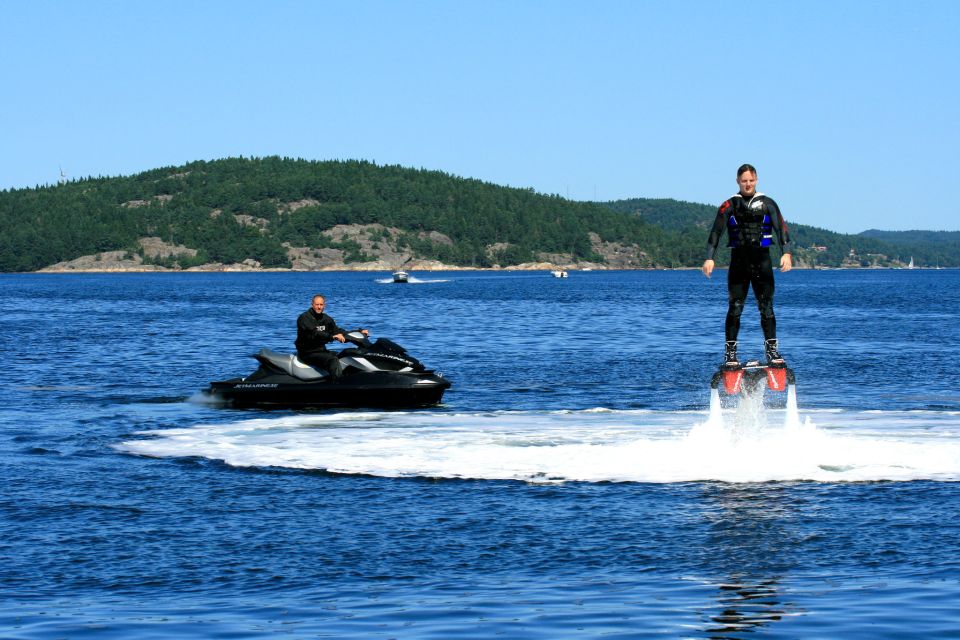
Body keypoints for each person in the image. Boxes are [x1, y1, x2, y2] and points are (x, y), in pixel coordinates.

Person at [702, 164, 792, 368]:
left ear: (757, 180)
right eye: (744, 181)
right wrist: (710, 257)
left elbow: (781, 229)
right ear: (738, 182)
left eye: (751, 180)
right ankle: (730, 354)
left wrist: (786, 253)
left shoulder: (768, 203)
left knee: (766, 307)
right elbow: (716, 232)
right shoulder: (729, 205)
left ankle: (772, 351)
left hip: (762, 262)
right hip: (739, 263)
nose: (748, 184)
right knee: (735, 308)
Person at [295, 294, 368, 379]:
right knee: (332, 360)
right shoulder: (304, 318)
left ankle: (353, 380)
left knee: (347, 355)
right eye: (317, 304)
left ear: (324, 305)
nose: (319, 307)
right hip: (307, 353)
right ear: (312, 305)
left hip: (321, 351)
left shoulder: (326, 319)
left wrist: (359, 332)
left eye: (321, 305)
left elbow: (338, 332)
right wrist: (332, 337)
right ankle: (338, 385)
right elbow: (314, 333)